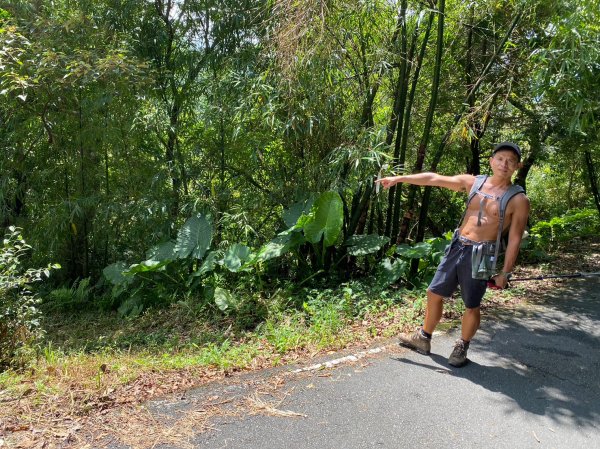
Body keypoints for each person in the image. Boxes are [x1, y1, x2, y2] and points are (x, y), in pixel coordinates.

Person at [375, 142, 530, 367]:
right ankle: (423, 338)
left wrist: (505, 272)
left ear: (517, 166)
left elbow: (515, 237)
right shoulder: (473, 183)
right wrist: (399, 179)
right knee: (434, 292)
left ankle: (462, 346)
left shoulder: (518, 200)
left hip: (481, 253)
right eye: (500, 159)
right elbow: (433, 178)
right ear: (491, 161)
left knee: (471, 304)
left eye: (510, 161)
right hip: (458, 246)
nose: (504, 164)